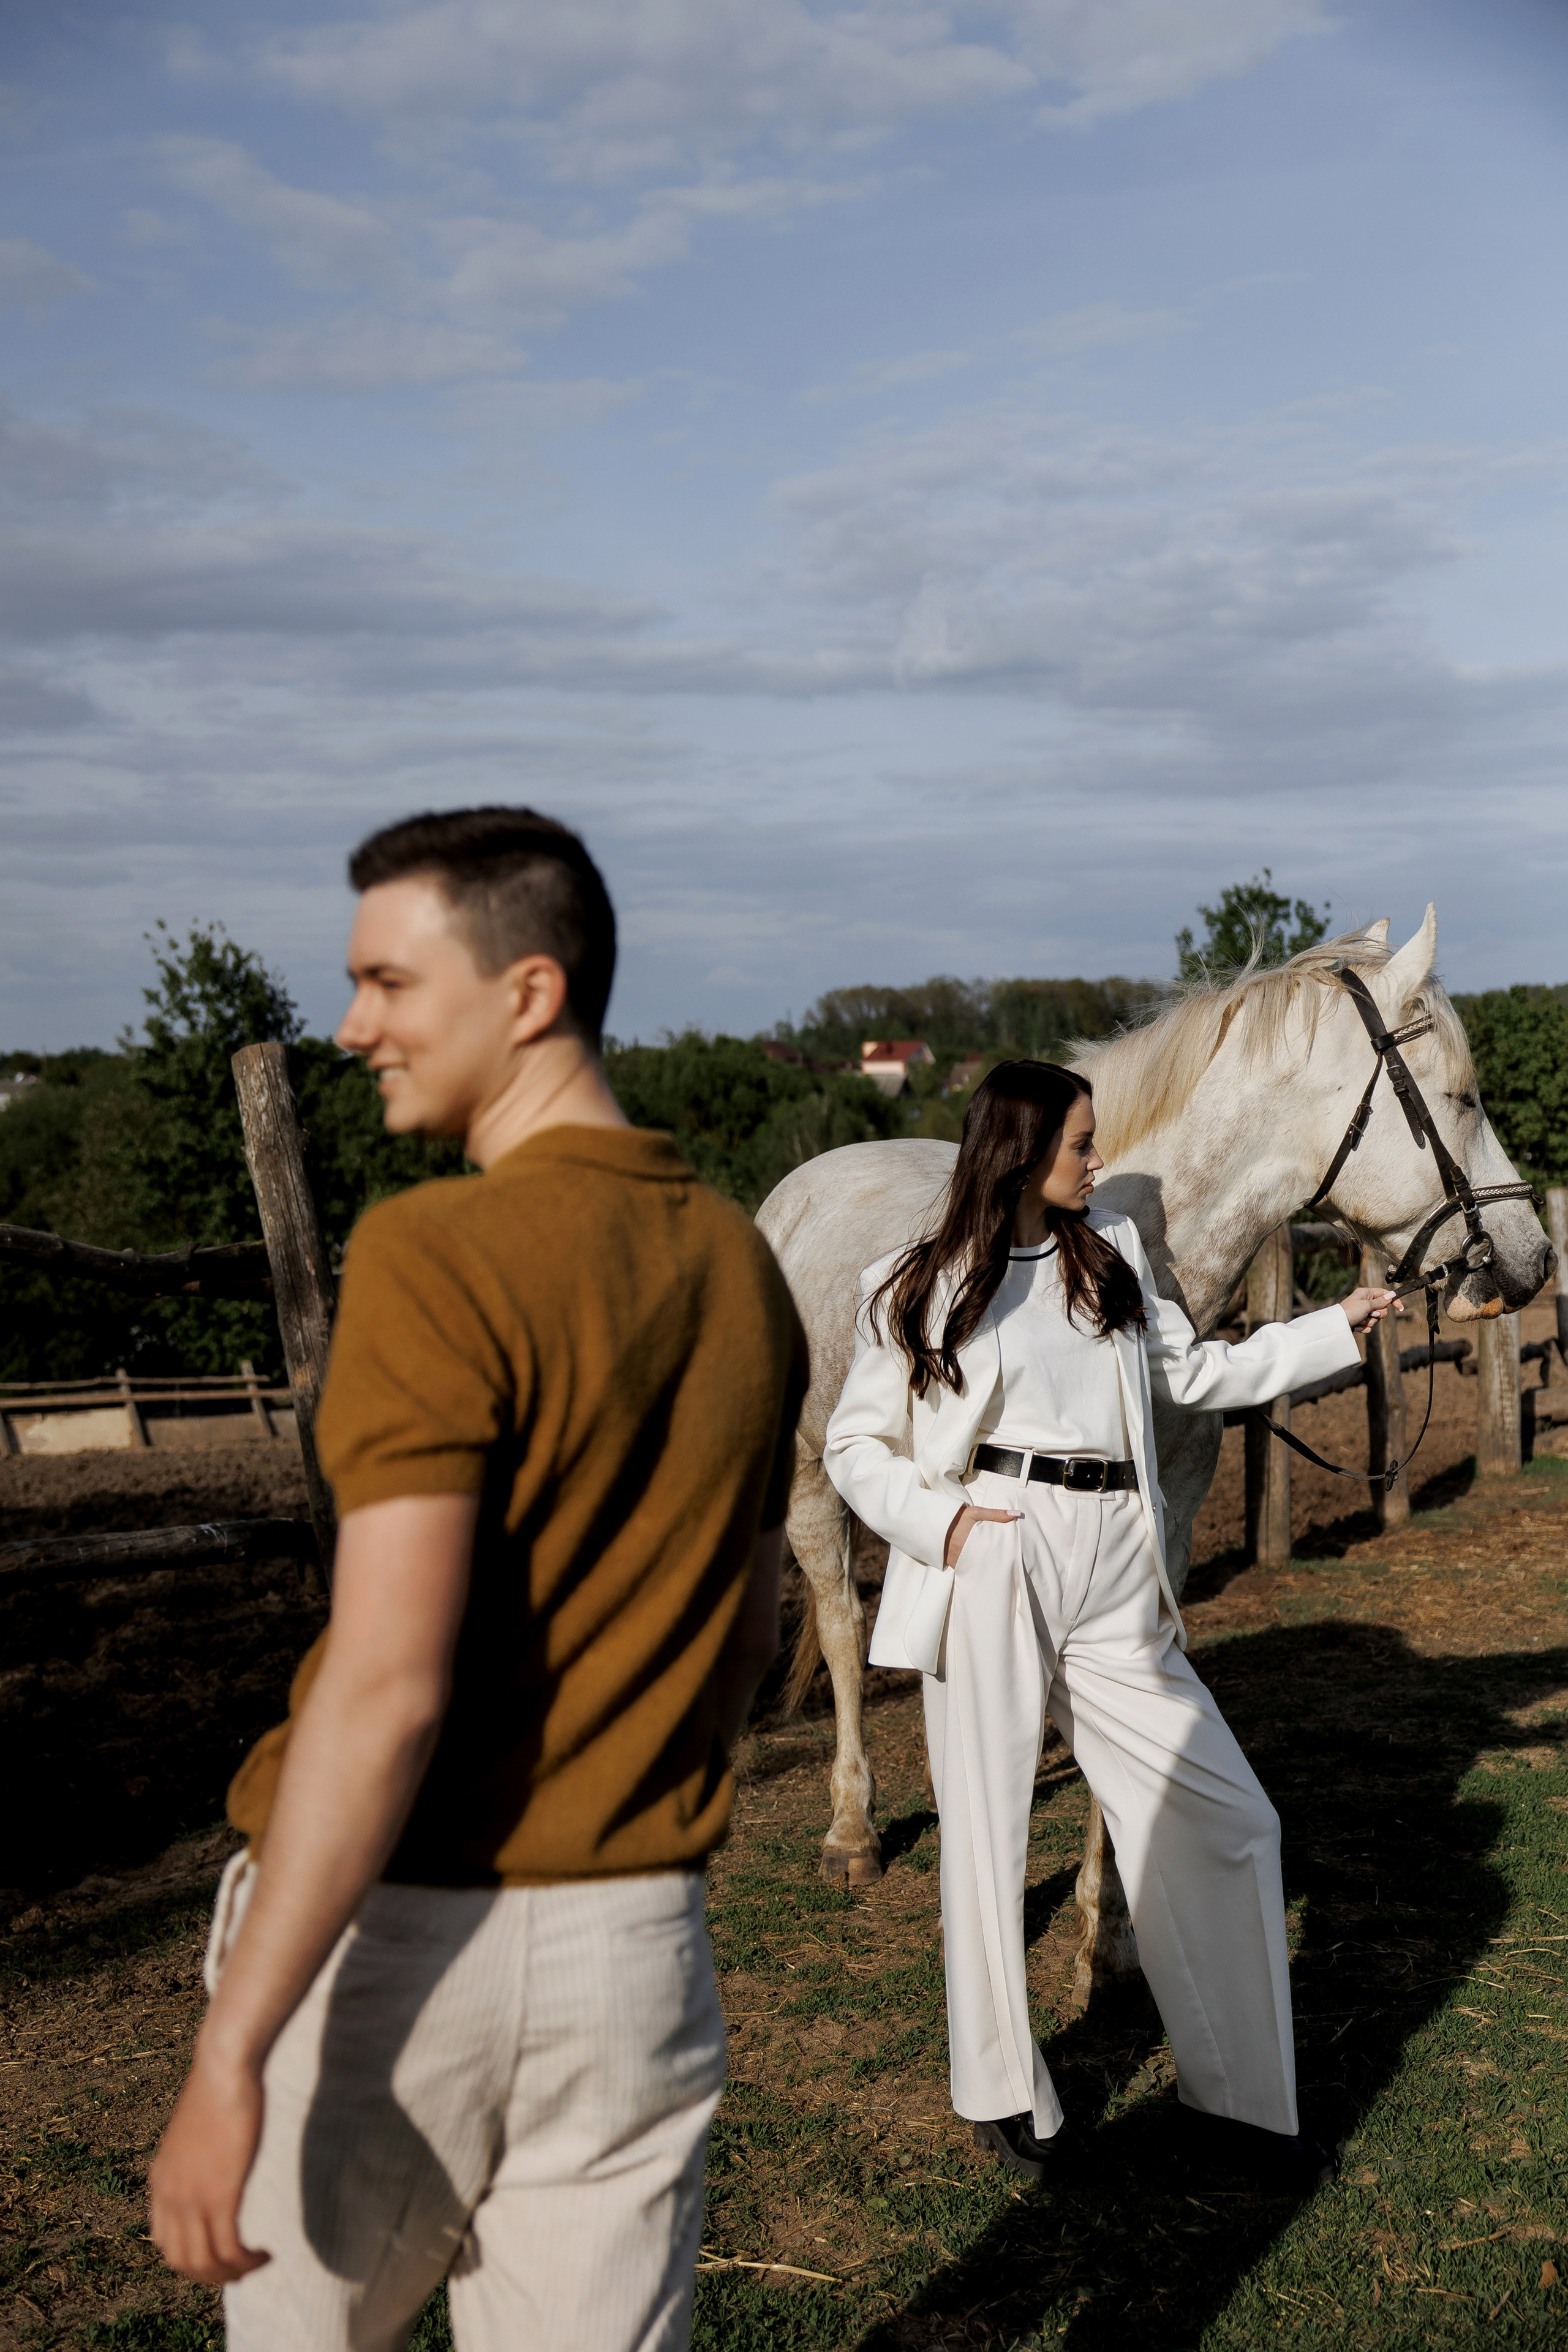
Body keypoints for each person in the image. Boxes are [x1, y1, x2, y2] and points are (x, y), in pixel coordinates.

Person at [149, 806, 808, 2351]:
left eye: (388, 981)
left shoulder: (434, 1252)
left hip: (399, 1944)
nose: (351, 1024)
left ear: (526, 992)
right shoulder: (735, 1260)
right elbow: (754, 1628)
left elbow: (386, 1689)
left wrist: (233, 2049)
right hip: (639, 1949)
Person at [823, 1060, 1400, 2189]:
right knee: (987, 1836)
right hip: (993, 1546)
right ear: (1022, 1151)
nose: (1099, 1162)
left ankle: (1240, 2097)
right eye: (1082, 1144)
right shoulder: (918, 1280)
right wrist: (944, 1528)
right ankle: (1001, 2093)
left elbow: (1194, 1373)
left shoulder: (1115, 1257)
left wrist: (1337, 1325)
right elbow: (857, 1442)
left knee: (1228, 1814)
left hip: (1113, 1563)